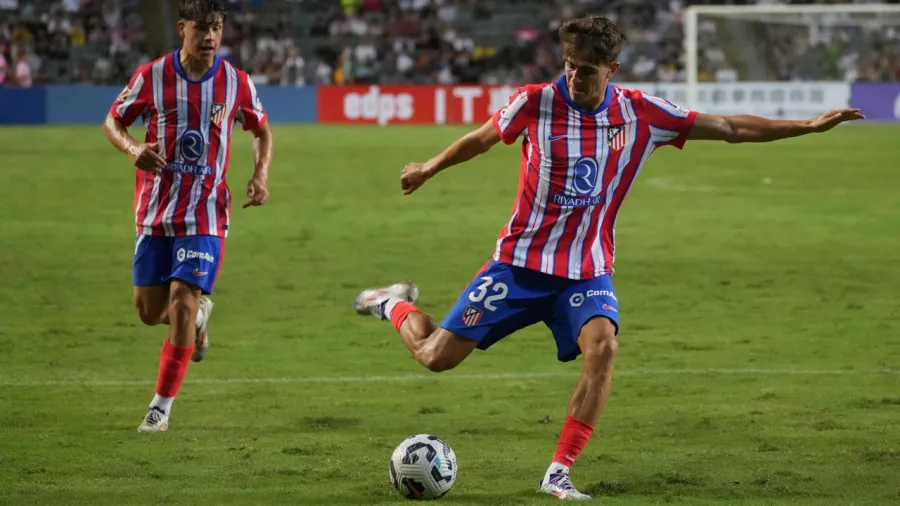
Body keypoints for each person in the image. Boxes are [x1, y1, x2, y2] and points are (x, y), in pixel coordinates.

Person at [354, 15, 863, 500]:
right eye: (569, 64)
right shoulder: (536, 102)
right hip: (519, 265)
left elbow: (730, 126)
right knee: (435, 358)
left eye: (587, 70)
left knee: (605, 348)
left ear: (612, 71)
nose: (574, 76)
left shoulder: (643, 112)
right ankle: (391, 302)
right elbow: (482, 139)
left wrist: (808, 125)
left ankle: (558, 474)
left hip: (586, 272)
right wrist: (429, 167)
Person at [102, 0, 274, 433]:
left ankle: (160, 409)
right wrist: (132, 149)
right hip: (156, 212)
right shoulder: (152, 77)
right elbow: (113, 121)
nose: (210, 37)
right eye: (201, 28)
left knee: (182, 300)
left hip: (207, 212)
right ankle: (197, 320)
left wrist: (260, 174)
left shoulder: (236, 82)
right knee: (148, 311)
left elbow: (261, 129)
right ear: (182, 28)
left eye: (216, 27)